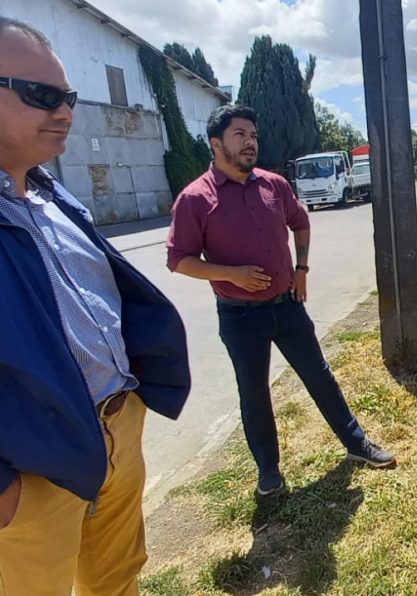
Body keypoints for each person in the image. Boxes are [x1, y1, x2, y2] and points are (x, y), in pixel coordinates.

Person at [0, 18, 190, 595]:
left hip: (115, 427)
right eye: (41, 96)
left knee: (117, 579)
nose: (64, 113)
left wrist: (129, 407)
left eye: (69, 98)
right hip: (33, 468)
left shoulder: (54, 196)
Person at [167, 105, 394, 496]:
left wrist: (301, 269)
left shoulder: (274, 184)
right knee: (254, 392)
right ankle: (269, 471)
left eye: (253, 135)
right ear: (216, 143)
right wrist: (231, 274)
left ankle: (357, 444)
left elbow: (300, 222)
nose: (250, 142)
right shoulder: (194, 199)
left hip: (286, 304)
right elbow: (178, 260)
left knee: (318, 375)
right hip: (240, 316)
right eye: (240, 135)